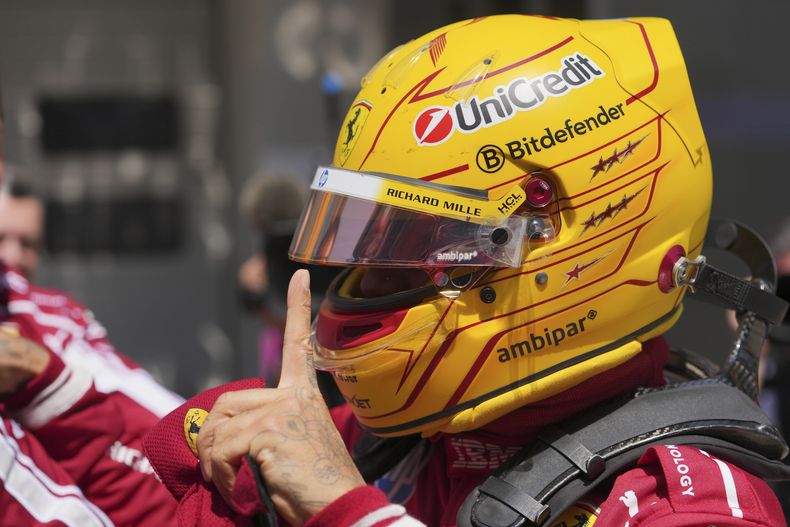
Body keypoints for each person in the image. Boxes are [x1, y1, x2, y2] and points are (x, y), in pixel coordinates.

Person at [171, 15, 788, 526]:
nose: (373, 282)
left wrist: (345, 511)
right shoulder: (397, 447)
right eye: (370, 250)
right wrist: (204, 431)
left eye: (414, 247)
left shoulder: (690, 503)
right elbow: (132, 485)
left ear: (557, 240)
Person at [0, 173, 183, 520]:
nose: (13, 256)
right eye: (2, 238)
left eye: (28, 244)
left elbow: (136, 395)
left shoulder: (58, 310)